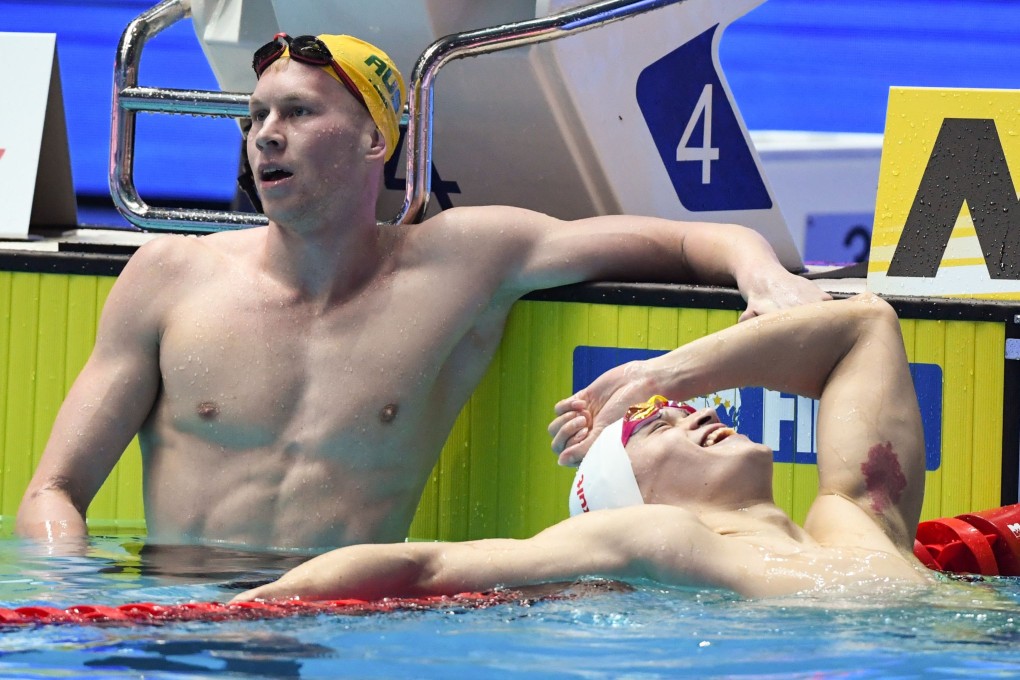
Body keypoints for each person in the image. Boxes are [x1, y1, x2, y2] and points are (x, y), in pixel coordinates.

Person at [16, 33, 829, 553]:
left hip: (346, 634)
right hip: (177, 625)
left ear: (377, 138)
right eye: (257, 115)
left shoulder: (464, 261)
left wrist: (765, 279)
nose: (266, 133)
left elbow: (687, 238)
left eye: (298, 112)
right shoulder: (168, 276)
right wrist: (70, 595)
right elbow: (53, 491)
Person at [232, 293, 931, 602]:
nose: (692, 416)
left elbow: (866, 326)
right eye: (661, 424)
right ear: (630, 496)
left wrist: (657, 377)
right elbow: (428, 566)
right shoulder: (658, 537)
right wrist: (245, 612)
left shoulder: (855, 525)